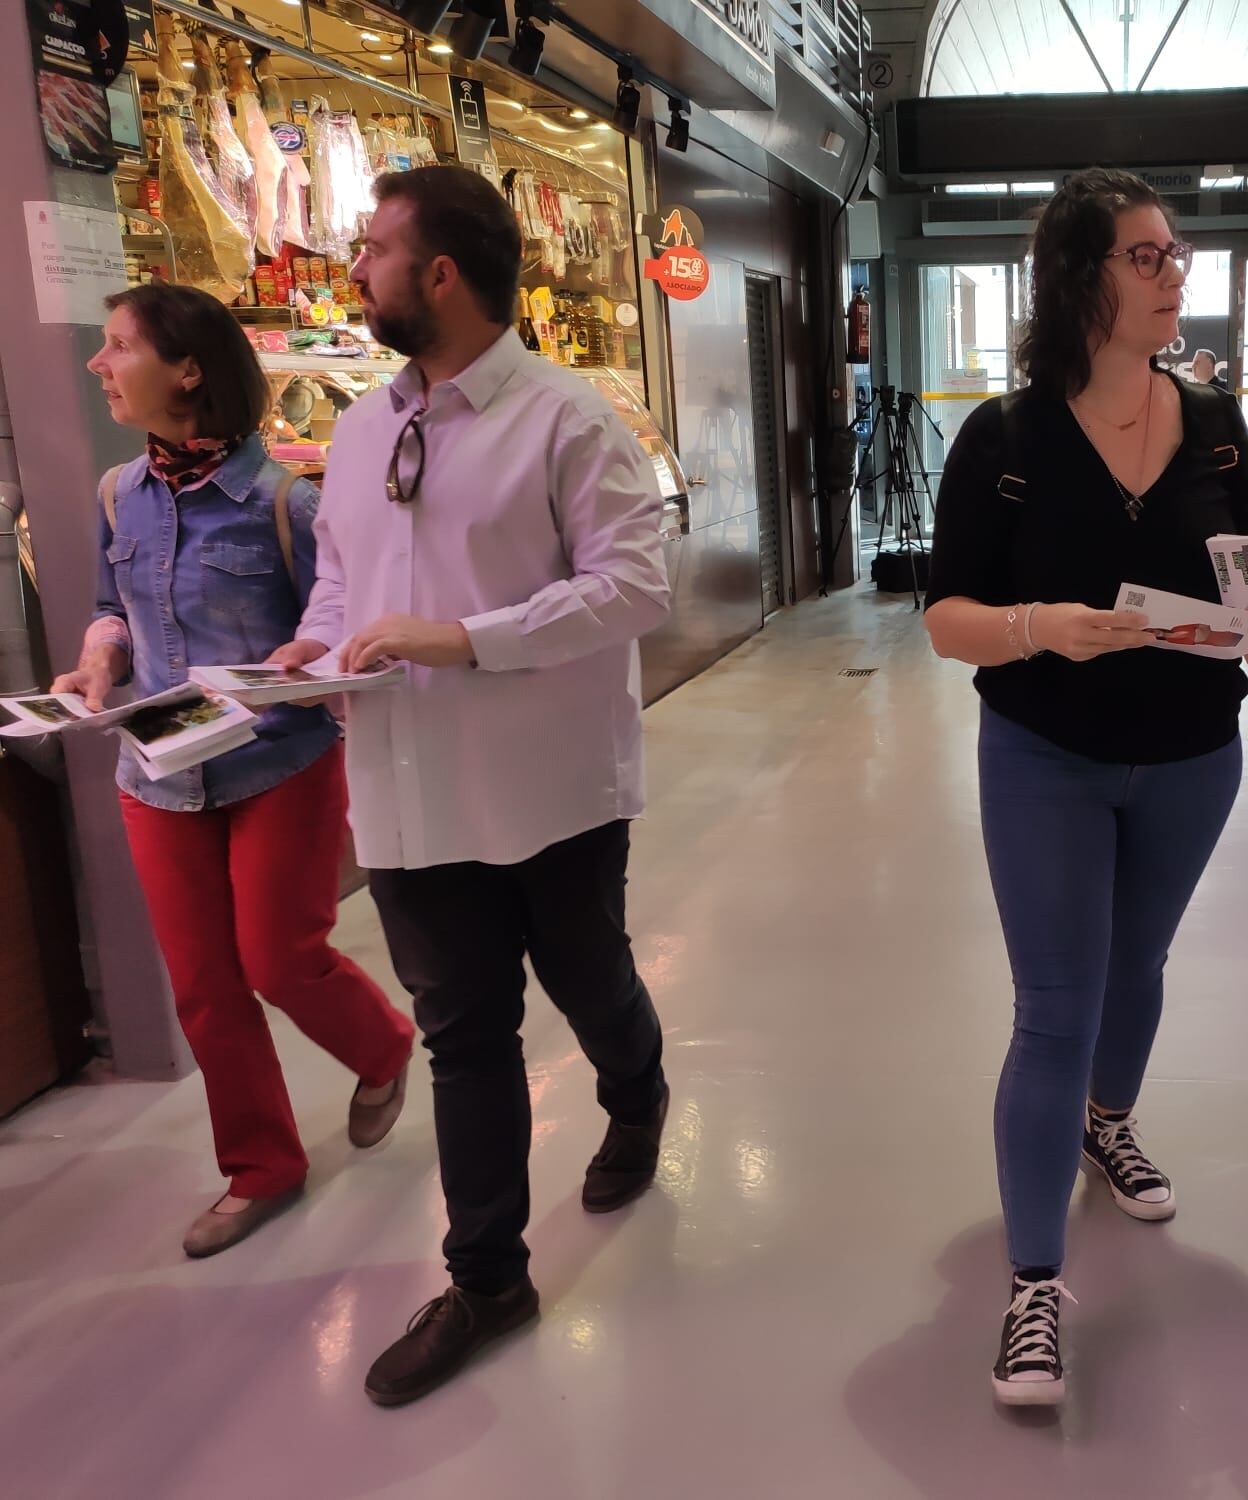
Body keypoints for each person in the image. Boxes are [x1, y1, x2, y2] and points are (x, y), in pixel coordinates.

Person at [267, 166, 674, 1407]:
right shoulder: (357, 426)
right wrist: (313, 642)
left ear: (439, 273)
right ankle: (489, 1279)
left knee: (587, 978)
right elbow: (343, 577)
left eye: (375, 249)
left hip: (545, 788)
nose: (356, 269)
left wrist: (466, 635)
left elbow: (636, 585)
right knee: (464, 1040)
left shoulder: (564, 419)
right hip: (404, 792)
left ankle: (638, 1092)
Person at [924, 167, 1248, 1408]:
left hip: (1194, 753)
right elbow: (945, 620)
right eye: (1146, 256)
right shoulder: (1004, 439)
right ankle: (1033, 1286)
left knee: (1135, 970)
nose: (1172, 274)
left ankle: (1107, 1121)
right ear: (1081, 276)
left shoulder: (1217, 426)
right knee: (1054, 1004)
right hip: (1043, 753)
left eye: (1174, 253)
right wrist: (1037, 625)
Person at [53, 284, 415, 1259]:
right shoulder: (115, 494)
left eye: (117, 346)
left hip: (277, 763)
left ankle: (383, 1047)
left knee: (278, 958)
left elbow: (330, 624)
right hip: (158, 772)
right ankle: (262, 1168)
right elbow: (110, 603)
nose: (99, 365)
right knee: (205, 986)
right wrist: (98, 658)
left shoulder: (287, 502)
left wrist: (308, 656)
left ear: (188, 370)